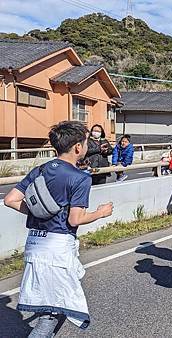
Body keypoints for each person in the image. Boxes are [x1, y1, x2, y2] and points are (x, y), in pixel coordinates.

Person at [3, 121, 113, 336]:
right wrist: (102, 212)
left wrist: (40, 211)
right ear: (78, 148)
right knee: (52, 313)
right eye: (85, 141)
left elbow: (10, 199)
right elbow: (75, 219)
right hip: (57, 248)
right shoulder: (80, 177)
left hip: (35, 244)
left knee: (59, 306)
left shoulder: (41, 170)